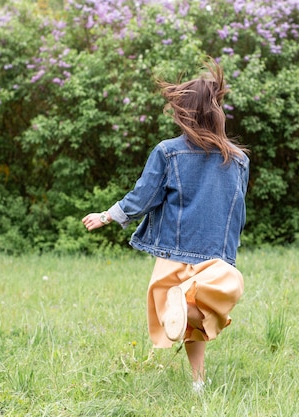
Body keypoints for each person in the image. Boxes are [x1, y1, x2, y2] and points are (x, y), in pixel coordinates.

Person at [82, 59, 249, 393]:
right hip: (215, 258)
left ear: (185, 113)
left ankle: (185, 314)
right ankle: (198, 380)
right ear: (216, 113)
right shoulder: (238, 159)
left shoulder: (168, 152)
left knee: (187, 317)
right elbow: (237, 212)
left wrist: (109, 215)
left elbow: (144, 196)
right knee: (210, 313)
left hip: (174, 254)